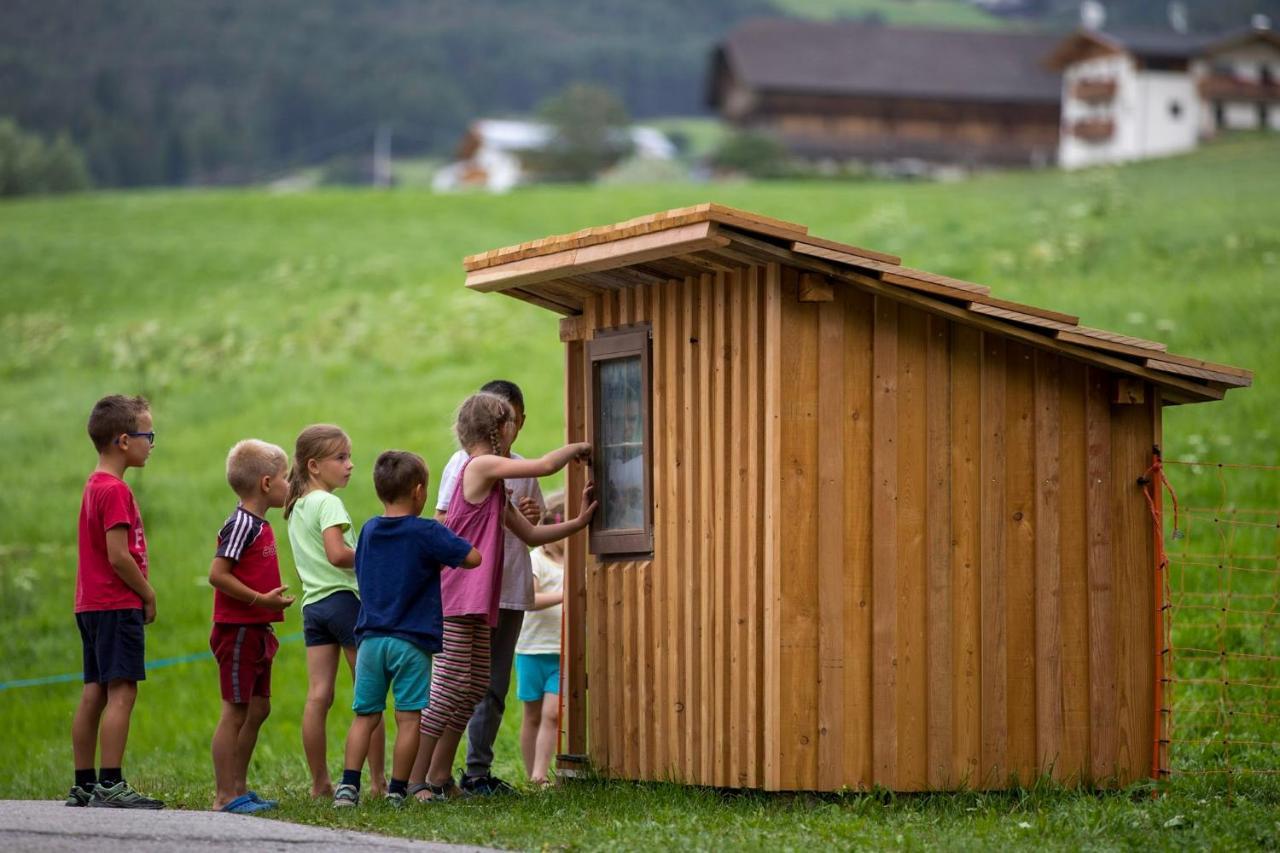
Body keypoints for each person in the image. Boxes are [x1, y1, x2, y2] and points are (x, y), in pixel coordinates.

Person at [408, 392, 595, 802]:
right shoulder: (480, 466)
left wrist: (579, 522)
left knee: (474, 684)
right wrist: (582, 446)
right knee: (449, 687)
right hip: (458, 594)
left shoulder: (495, 488)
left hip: (481, 597)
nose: (515, 428)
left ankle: (440, 777)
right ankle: (412, 780)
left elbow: (530, 534)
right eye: (511, 422)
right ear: (499, 429)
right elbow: (545, 465)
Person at [333, 451, 480, 808]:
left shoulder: (368, 529)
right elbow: (473, 558)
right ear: (418, 492)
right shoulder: (427, 531)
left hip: (369, 638)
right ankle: (398, 789)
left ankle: (348, 788)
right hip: (411, 642)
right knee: (409, 717)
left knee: (365, 716)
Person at [435, 380, 543, 796]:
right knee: (459, 682)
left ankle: (475, 771)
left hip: (511, 584)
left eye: (513, 420)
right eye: (501, 420)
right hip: (472, 591)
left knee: (493, 684)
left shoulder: (521, 469)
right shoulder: (462, 464)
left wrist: (536, 516)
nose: (507, 429)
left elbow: (533, 530)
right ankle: (434, 774)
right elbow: (445, 519)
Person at [68, 394, 164, 809]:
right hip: (115, 603)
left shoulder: (93, 485)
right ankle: (111, 782)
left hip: (89, 605)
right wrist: (147, 591)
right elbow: (119, 555)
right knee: (122, 691)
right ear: (124, 440)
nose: (151, 443)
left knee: (95, 691)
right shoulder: (115, 491)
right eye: (149, 435)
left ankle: (84, 783)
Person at [285, 424, 386, 798]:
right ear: (314, 465)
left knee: (318, 696)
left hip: (314, 608)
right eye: (341, 458)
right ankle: (377, 782)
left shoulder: (296, 506)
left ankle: (319, 783)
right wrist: (377, 558)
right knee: (370, 693)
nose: (350, 465)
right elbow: (337, 554)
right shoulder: (328, 503)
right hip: (346, 602)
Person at [207, 440, 296, 814]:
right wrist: (261, 601)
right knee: (236, 710)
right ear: (265, 483)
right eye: (285, 478)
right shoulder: (242, 524)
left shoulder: (260, 523)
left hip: (258, 630)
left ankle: (239, 787)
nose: (289, 485)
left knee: (258, 708)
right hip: (239, 629)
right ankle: (225, 795)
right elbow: (217, 574)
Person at [515, 493, 566, 786]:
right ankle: (530, 771)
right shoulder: (536, 560)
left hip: (560, 651)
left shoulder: (575, 563)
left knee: (551, 714)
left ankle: (540, 775)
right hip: (531, 650)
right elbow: (530, 599)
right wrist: (564, 596)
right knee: (532, 715)